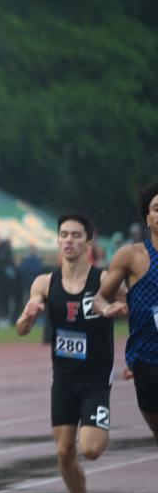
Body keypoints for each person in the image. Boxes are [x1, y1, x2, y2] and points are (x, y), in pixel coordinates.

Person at [16, 214, 116, 493]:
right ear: (57, 241)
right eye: (64, 235)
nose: (69, 240)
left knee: (91, 449)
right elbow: (21, 328)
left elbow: (133, 304)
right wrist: (29, 317)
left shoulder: (104, 281)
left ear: (88, 243)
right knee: (63, 451)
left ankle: (96, 421)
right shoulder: (45, 283)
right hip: (63, 380)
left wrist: (118, 308)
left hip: (96, 380)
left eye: (76, 235)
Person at [94, 180, 158, 444]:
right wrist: (107, 307)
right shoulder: (131, 256)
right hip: (147, 360)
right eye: (156, 208)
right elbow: (99, 296)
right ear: (147, 217)